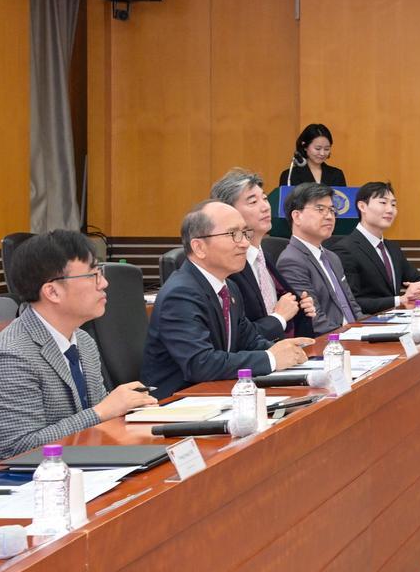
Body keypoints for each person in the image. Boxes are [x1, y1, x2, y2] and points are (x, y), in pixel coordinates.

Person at [0, 231, 158, 469]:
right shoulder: (9, 357)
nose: (104, 283)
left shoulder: (83, 341)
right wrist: (102, 411)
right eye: (93, 275)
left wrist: (130, 409)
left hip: (76, 465)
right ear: (52, 292)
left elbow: (98, 416)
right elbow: (21, 449)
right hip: (8, 481)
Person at [141, 203, 312, 399]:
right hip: (176, 402)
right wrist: (271, 358)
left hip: (216, 394)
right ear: (199, 247)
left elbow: (249, 341)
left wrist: (285, 350)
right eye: (233, 234)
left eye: (245, 233)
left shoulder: (229, 287)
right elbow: (200, 363)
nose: (245, 243)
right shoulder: (180, 294)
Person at [210, 167, 315, 340]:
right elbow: (237, 335)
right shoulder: (227, 268)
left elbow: (282, 310)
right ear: (228, 212)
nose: (265, 207)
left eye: (265, 199)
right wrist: (279, 317)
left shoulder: (265, 257)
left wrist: (300, 310)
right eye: (253, 202)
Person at [334, 181, 420, 314]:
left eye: (393, 204)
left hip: (396, 321)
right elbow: (352, 302)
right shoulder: (345, 249)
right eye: (383, 202)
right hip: (367, 323)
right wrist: (400, 300)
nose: (390, 210)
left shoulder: (392, 248)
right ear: (362, 206)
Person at [277, 183, 363, 334]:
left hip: (352, 334)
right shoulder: (291, 261)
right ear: (297, 216)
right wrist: (354, 337)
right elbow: (315, 322)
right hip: (331, 341)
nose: (329, 216)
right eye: (320, 209)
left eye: (331, 210)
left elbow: (353, 307)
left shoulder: (332, 257)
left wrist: (368, 330)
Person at [281, 123, 345, 187]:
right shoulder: (290, 175)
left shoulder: (337, 174)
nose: (322, 153)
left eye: (326, 149)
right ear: (305, 146)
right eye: (318, 148)